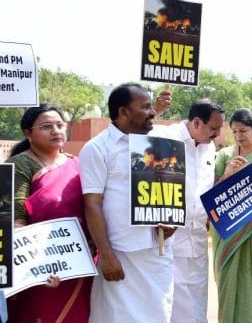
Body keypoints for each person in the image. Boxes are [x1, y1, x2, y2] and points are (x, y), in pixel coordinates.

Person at [80, 83, 176, 322]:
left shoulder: (158, 144)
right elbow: (92, 203)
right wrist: (107, 254)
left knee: (158, 315)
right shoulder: (97, 148)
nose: (153, 111)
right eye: (145, 107)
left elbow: (165, 194)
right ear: (123, 112)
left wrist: (170, 222)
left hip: (157, 250)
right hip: (120, 253)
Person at [6, 104, 92, 322]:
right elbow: (16, 221)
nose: (56, 131)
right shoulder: (20, 165)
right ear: (28, 133)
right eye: (46, 126)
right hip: (40, 270)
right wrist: (37, 268)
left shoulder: (76, 163)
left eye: (60, 125)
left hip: (79, 265)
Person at [149, 99, 224, 323]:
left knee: (195, 308)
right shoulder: (164, 136)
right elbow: (131, 132)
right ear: (197, 122)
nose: (217, 135)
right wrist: (155, 108)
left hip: (198, 240)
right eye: (213, 128)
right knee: (165, 306)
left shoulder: (210, 148)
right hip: (168, 239)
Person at [212, 108, 252, 322]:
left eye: (244, 130)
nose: (239, 136)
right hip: (229, 232)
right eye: (235, 131)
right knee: (229, 283)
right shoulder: (224, 156)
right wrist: (228, 174)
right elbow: (213, 195)